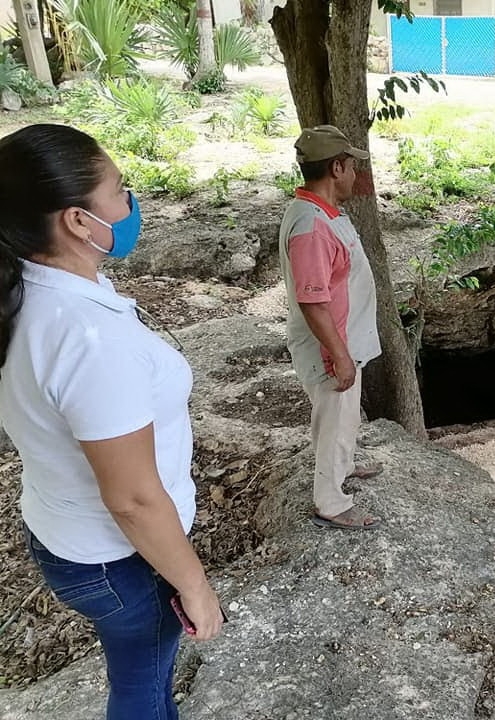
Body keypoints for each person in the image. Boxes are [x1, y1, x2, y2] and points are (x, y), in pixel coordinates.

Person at [0, 124, 223, 718]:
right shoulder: (87, 336)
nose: (130, 205)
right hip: (116, 556)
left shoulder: (29, 289)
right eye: (120, 191)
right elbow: (133, 499)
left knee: (142, 680)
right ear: (77, 220)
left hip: (70, 535)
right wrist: (195, 586)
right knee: (142, 689)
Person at [279, 125, 383, 531]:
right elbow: (312, 299)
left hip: (344, 338)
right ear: (336, 167)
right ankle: (330, 500)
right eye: (352, 166)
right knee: (331, 418)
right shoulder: (311, 226)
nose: (355, 175)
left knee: (345, 414)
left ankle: (344, 465)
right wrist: (338, 354)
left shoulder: (320, 213)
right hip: (329, 344)